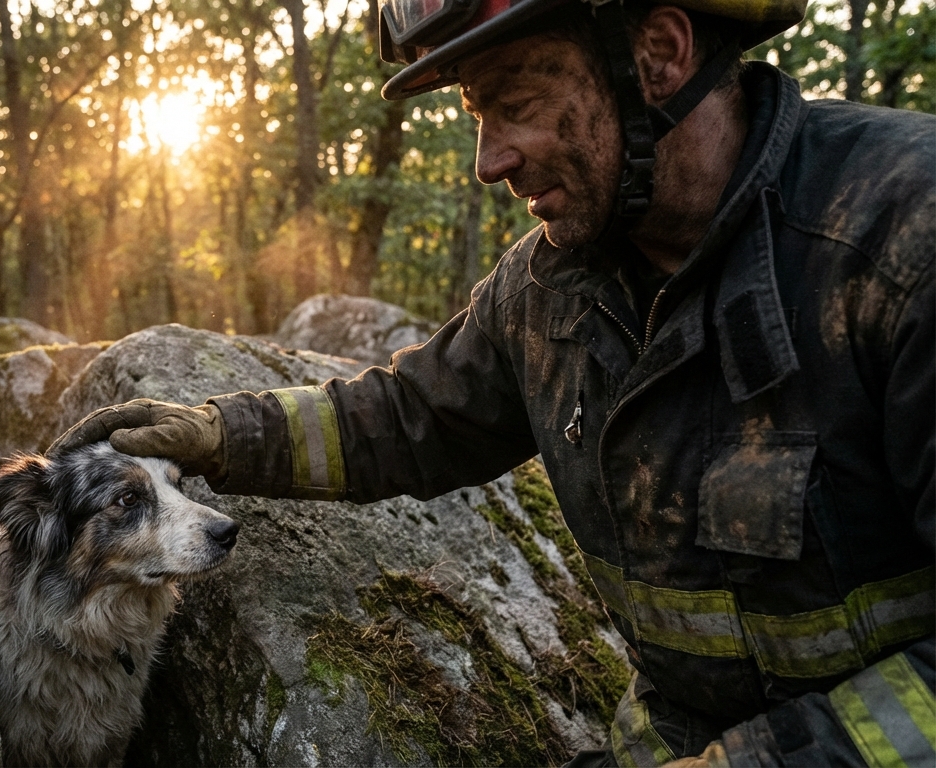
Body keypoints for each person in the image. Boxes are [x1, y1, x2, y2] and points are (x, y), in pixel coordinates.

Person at [50, 0, 936, 762]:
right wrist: (220, 434)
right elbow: (408, 415)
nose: (489, 161)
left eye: (515, 104)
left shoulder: (904, 241)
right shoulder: (547, 287)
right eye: (477, 115)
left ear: (659, 55)